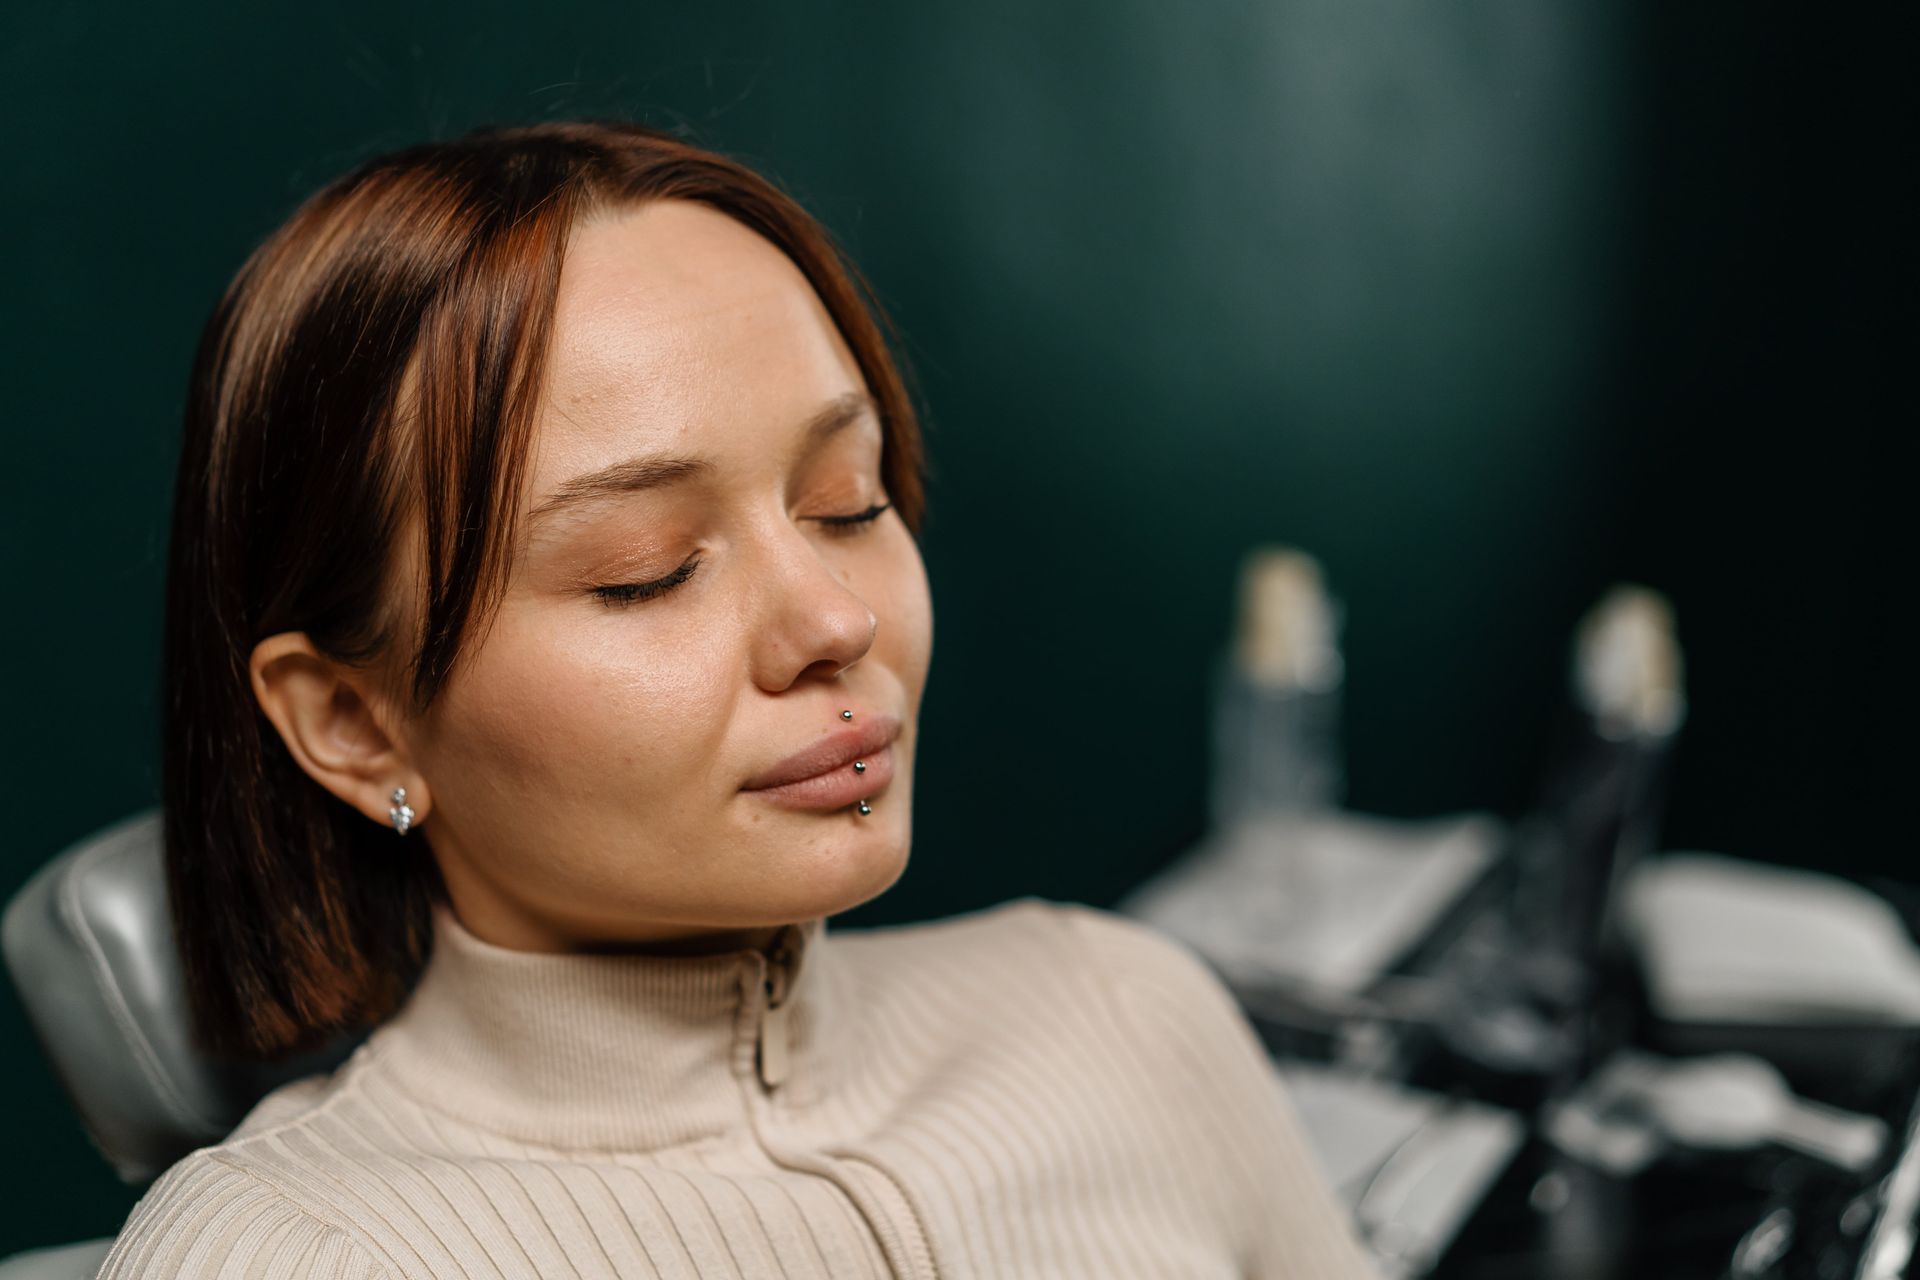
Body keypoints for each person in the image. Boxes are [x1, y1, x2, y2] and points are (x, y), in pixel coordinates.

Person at [95, 118, 1378, 1279]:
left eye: (849, 501)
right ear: (352, 719)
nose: (837, 619)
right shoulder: (288, 1256)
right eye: (644, 572)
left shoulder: (1124, 1009)